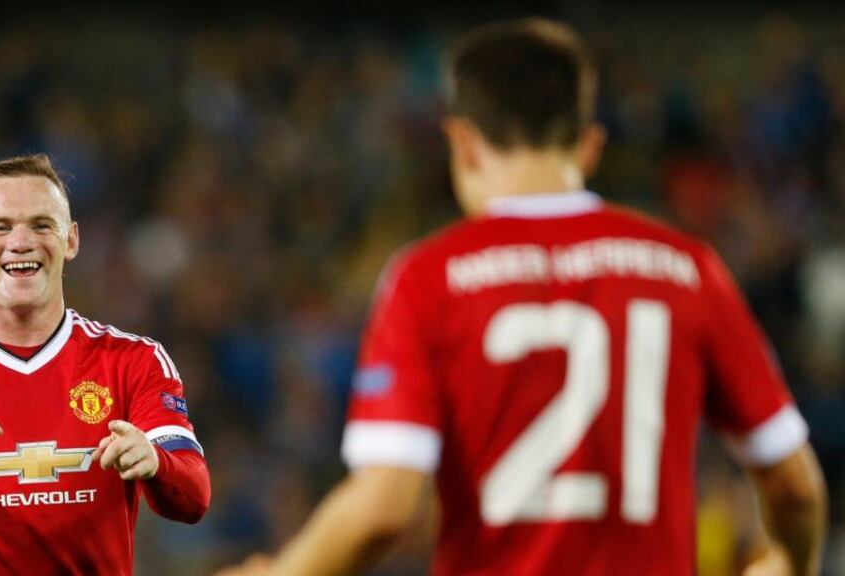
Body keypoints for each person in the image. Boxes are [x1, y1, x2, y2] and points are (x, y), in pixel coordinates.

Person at [218, 18, 826, 576]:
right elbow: (795, 486)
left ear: (462, 143)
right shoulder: (687, 269)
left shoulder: (429, 277)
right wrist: (787, 565)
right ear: (589, 145)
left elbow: (383, 507)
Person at [0, 154, 210, 575]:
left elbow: (195, 496)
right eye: (0, 226)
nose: (22, 241)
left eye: (42, 225)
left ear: (71, 240)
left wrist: (157, 463)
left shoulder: (134, 362)